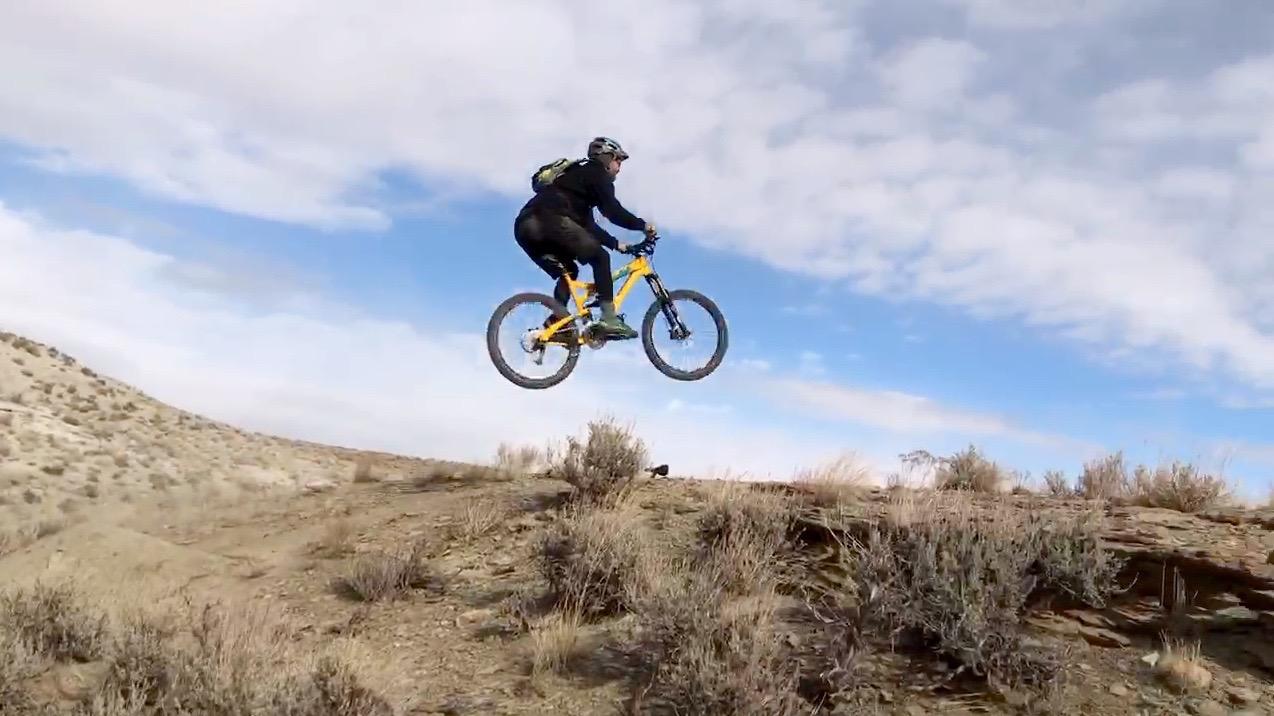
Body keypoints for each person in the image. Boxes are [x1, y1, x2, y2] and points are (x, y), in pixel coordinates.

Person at [513, 136, 656, 340]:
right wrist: (642, 225)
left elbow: (588, 226)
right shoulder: (596, 172)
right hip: (551, 221)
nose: (619, 167)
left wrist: (618, 245)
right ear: (606, 157)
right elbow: (612, 211)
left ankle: (557, 322)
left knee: (569, 271)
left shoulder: (575, 181)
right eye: (618, 160)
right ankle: (609, 318)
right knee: (600, 258)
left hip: (525, 228)